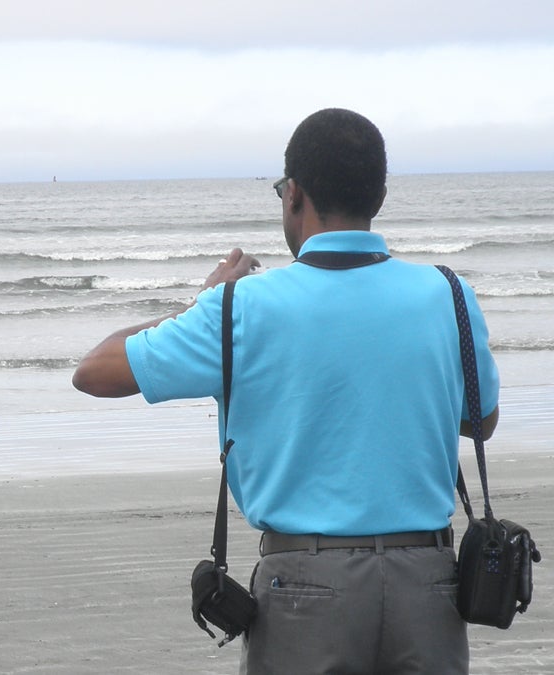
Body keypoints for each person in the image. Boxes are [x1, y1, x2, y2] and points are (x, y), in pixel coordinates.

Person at [72, 108, 499, 674]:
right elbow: (481, 420)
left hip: (304, 583)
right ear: (381, 194)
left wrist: (205, 302)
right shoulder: (448, 293)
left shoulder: (238, 308)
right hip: (428, 579)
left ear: (293, 194)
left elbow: (94, 372)